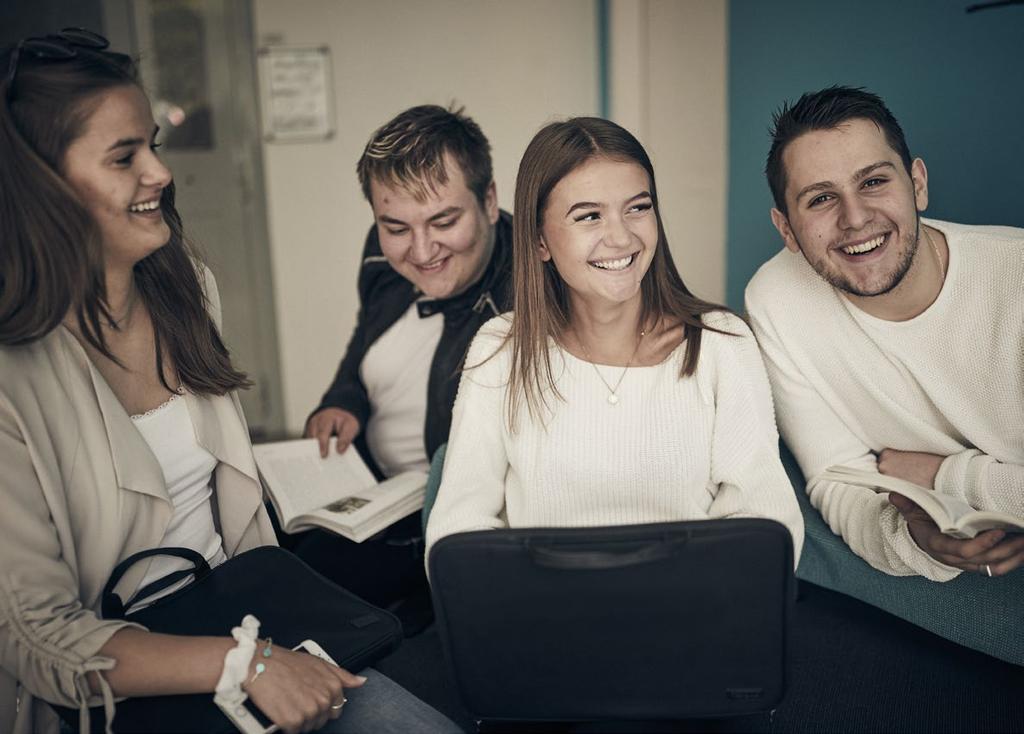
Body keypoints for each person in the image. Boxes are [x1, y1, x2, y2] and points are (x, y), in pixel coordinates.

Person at [0, 29, 457, 734]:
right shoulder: (13, 375)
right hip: (132, 685)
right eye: (125, 157)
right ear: (40, 187)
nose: (159, 172)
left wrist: (276, 648)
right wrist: (247, 664)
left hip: (254, 619)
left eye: (151, 144)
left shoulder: (188, 288)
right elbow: (40, 639)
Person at [425, 117, 803, 562]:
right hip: (543, 618)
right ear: (540, 240)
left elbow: (767, 522)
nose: (622, 236)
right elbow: (456, 530)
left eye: (638, 208)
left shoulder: (722, 344)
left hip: (691, 616)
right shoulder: (501, 350)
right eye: (589, 216)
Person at [745, 85, 1024, 581]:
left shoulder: (1015, 275)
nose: (854, 219)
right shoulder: (776, 299)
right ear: (786, 228)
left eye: (873, 182)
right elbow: (835, 479)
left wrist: (944, 475)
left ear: (917, 183)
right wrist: (916, 540)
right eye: (821, 198)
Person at [297, 105, 512, 614]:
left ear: (488, 199)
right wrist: (343, 398)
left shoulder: (529, 289)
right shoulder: (381, 250)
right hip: (359, 478)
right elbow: (367, 334)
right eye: (396, 227)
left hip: (429, 518)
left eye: (444, 220)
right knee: (258, 548)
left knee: (296, 590)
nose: (420, 250)